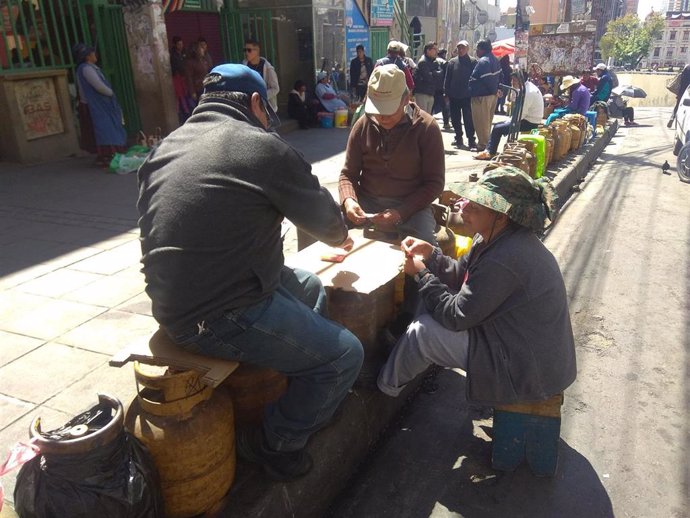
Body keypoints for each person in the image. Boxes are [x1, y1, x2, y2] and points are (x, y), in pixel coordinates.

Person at [137, 64, 363, 482]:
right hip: (216, 315)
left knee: (311, 286)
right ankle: (276, 442)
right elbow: (330, 227)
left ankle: (294, 390)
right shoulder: (259, 146)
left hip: (173, 302)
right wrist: (341, 225)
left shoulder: (164, 148)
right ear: (257, 103)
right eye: (268, 111)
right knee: (344, 356)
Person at [376, 166, 577, 408]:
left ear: (501, 216)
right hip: (519, 345)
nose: (464, 210)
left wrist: (421, 275)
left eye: (475, 207)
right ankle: (399, 371)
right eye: (468, 202)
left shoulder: (505, 257)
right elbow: (462, 275)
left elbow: (456, 317)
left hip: (528, 368)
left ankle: (382, 393)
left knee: (423, 332)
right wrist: (431, 255)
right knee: (431, 307)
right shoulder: (491, 237)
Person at [339, 64, 444, 245]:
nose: (382, 117)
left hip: (412, 206)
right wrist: (349, 201)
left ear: (406, 99)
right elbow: (348, 174)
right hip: (367, 203)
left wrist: (401, 212)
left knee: (425, 249)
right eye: (378, 109)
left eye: (389, 110)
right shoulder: (362, 125)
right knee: (322, 226)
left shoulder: (427, 128)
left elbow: (435, 183)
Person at [73, 43, 127, 166]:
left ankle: (108, 154)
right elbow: (98, 86)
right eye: (92, 53)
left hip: (101, 104)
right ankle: (107, 154)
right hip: (96, 106)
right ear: (87, 56)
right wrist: (110, 92)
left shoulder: (91, 68)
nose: (94, 54)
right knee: (104, 129)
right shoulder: (86, 69)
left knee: (108, 127)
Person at [474, 73, 544, 160]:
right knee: (498, 125)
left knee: (497, 129)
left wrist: (509, 122)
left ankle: (490, 152)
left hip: (529, 122)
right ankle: (490, 150)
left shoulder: (528, 92)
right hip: (527, 118)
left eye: (514, 80)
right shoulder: (525, 88)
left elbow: (520, 115)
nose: (512, 82)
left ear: (520, 81)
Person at [469, 39, 502, 152]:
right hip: (492, 96)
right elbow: (499, 77)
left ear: (482, 49)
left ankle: (483, 146)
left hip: (482, 97)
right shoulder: (495, 60)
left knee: (481, 122)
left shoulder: (483, 61)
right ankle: (486, 144)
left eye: (477, 49)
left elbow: (487, 80)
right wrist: (496, 90)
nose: (476, 52)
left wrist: (493, 90)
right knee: (487, 122)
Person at [444, 40, 477, 149]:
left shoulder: (473, 62)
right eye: (459, 48)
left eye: (463, 48)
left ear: (467, 49)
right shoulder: (452, 62)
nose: (461, 50)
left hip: (467, 96)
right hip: (454, 96)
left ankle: (471, 140)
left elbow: (476, 79)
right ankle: (458, 138)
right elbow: (447, 79)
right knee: (455, 119)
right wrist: (446, 93)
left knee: (468, 119)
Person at [243, 38, 280, 111]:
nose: (246, 53)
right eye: (245, 50)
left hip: (266, 108)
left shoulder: (268, 68)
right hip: (249, 107)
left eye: (249, 50)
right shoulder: (244, 66)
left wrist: (261, 97)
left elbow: (275, 88)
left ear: (257, 50)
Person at [413, 41, 444, 114]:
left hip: (430, 93)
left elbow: (440, 75)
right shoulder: (423, 62)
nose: (437, 51)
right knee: (422, 116)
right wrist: (435, 73)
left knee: (428, 117)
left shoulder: (434, 62)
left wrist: (434, 73)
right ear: (428, 50)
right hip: (422, 93)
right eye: (434, 49)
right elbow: (428, 78)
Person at [170, 36, 192, 123]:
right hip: (178, 81)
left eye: (181, 44)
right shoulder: (173, 56)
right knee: (180, 100)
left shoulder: (185, 53)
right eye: (179, 44)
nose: (181, 46)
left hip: (186, 80)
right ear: (175, 45)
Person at [668, 63, 690, 128]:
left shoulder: (681, 75)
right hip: (687, 94)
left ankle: (672, 118)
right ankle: (680, 124)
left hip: (680, 93)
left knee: (677, 106)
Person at [436, 49, 451, 130]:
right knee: (444, 106)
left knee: (431, 107)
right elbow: (447, 76)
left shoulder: (434, 61)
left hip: (434, 87)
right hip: (442, 88)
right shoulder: (445, 62)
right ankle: (446, 123)